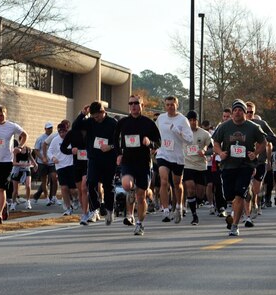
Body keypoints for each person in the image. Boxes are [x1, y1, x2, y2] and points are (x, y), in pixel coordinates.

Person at [212, 99, 266, 237]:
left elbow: (263, 142)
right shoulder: (224, 127)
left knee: (239, 195)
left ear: (244, 112)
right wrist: (220, 153)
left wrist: (255, 153)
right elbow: (216, 142)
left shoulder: (253, 127)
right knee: (229, 195)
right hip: (228, 165)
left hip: (245, 165)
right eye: (235, 110)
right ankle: (242, 198)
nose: (237, 112)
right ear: (232, 112)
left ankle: (235, 226)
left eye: (240, 110)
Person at [116, 95, 160, 235]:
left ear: (142, 106)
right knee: (127, 185)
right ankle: (131, 200)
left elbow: (158, 141)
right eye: (131, 103)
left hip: (143, 163)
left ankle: (140, 223)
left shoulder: (148, 123)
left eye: (136, 103)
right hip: (128, 161)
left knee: (141, 197)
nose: (133, 106)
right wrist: (118, 154)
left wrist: (150, 143)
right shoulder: (123, 122)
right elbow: (114, 139)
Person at [71, 101, 120, 225]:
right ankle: (95, 209)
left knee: (109, 186)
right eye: (93, 117)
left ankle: (109, 209)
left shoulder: (113, 123)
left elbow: (120, 141)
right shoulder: (90, 122)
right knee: (91, 183)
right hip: (93, 158)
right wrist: (82, 114)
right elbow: (75, 127)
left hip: (109, 159)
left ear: (103, 112)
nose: (96, 119)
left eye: (97, 116)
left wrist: (110, 146)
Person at [154, 95, 193, 223]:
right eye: (168, 104)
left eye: (172, 104)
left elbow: (189, 139)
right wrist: (153, 145)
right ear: (165, 106)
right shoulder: (161, 118)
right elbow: (155, 134)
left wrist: (177, 131)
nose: (170, 107)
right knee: (164, 181)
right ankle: (165, 210)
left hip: (177, 156)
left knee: (177, 184)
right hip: (163, 153)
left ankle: (179, 207)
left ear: (177, 105)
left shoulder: (183, 120)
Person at [182, 110, 212, 226]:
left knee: (200, 193)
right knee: (190, 188)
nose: (192, 122)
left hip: (200, 166)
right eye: (190, 120)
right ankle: (194, 215)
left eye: (194, 120)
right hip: (187, 164)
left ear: (197, 121)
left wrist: (204, 151)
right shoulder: (183, 133)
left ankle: (196, 201)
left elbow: (212, 148)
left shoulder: (204, 134)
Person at [49, 120, 77, 216]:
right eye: (60, 132)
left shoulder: (72, 138)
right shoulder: (55, 140)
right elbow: (50, 151)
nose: (62, 134)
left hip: (71, 165)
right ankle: (68, 208)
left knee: (73, 189)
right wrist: (53, 158)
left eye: (63, 132)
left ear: (67, 131)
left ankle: (76, 199)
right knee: (64, 188)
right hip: (60, 166)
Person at [10, 132, 36, 210]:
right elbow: (14, 163)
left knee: (28, 186)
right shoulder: (16, 150)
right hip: (17, 170)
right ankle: (13, 203)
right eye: (22, 140)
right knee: (15, 190)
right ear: (20, 140)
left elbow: (30, 157)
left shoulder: (28, 149)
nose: (23, 141)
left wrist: (35, 164)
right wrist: (22, 165)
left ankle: (28, 202)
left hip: (26, 169)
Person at [32, 122, 56, 205]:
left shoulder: (55, 137)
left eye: (51, 128)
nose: (50, 129)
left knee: (54, 178)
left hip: (52, 161)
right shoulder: (40, 138)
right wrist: (43, 158)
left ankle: (53, 197)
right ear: (45, 129)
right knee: (45, 181)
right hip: (42, 162)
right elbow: (36, 150)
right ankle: (46, 197)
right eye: (48, 128)